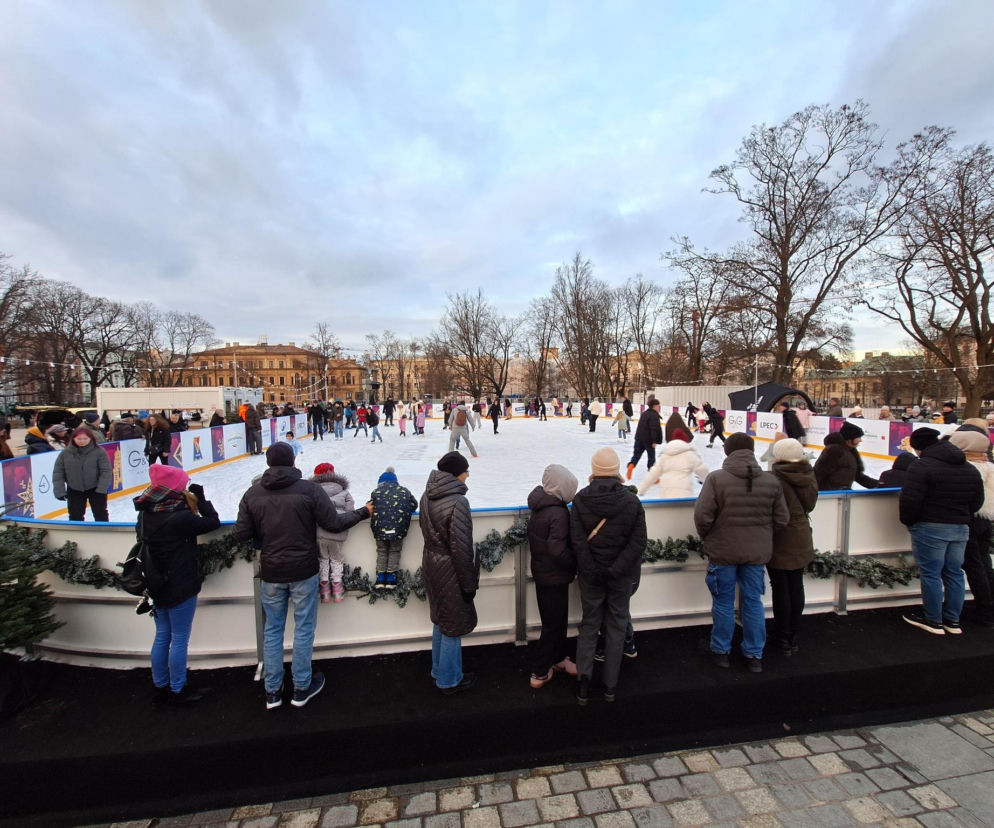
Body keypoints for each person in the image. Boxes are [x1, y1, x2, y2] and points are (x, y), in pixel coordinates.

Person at [233, 442, 372, 710]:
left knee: (273, 630)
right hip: (303, 570)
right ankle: (301, 687)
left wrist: (265, 536)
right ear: (293, 461)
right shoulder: (309, 490)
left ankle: (273, 691)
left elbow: (241, 533)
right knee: (304, 628)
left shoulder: (252, 494)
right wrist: (363, 511)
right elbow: (334, 523)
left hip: (272, 572)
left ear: (268, 463)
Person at [695, 432, 789, 673]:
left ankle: (721, 651)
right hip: (756, 553)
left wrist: (710, 537)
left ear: (728, 451)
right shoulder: (771, 481)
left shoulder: (717, 479)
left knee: (724, 602)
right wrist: (762, 536)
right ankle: (754, 655)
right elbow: (781, 519)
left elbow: (702, 516)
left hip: (724, 552)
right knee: (753, 603)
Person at [135, 464, 220, 706]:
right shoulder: (179, 516)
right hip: (180, 582)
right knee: (180, 637)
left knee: (162, 635)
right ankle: (177, 689)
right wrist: (202, 500)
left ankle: (160, 686)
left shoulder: (145, 511)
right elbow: (211, 522)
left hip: (155, 582)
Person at [571, 448, 646, 705]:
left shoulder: (580, 500)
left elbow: (578, 541)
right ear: (616, 470)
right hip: (621, 577)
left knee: (590, 624)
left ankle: (583, 684)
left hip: (591, 576)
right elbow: (637, 543)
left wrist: (592, 569)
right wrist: (616, 570)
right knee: (616, 626)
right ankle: (610, 686)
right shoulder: (631, 502)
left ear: (594, 470)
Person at [900, 428, 984, 635]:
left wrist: (909, 521)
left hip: (930, 527)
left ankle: (933, 620)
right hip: (960, 528)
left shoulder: (921, 466)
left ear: (919, 447)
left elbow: (911, 500)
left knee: (931, 574)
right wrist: (961, 516)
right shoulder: (969, 468)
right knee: (954, 573)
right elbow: (977, 501)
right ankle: (953, 620)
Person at [420, 451, 479, 695]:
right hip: (450, 568)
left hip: (432, 563)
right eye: (466, 471)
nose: (467, 475)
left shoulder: (427, 493)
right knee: (452, 624)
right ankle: (449, 679)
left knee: (440, 618)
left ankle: (439, 669)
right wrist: (469, 585)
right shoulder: (457, 502)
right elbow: (462, 549)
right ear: (457, 474)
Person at [527, 464, 579, 689]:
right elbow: (556, 549)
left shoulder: (542, 506)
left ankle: (557, 659)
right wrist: (574, 561)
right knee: (552, 625)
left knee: (557, 622)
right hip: (553, 576)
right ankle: (539, 672)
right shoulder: (557, 513)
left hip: (545, 574)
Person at [767, 438, 818, 655]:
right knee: (796, 585)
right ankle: (792, 634)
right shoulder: (808, 475)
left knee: (781, 588)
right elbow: (810, 505)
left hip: (780, 538)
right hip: (801, 535)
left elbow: (771, 510)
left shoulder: (774, 478)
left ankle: (782, 636)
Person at [947, 424, 994, 627]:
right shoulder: (988, 466)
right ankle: (988, 604)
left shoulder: (968, 468)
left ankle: (985, 609)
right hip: (986, 519)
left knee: (974, 564)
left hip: (972, 519)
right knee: (983, 562)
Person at [311, 462, 355, 604]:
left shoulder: (312, 491)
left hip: (320, 533)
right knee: (336, 559)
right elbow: (350, 512)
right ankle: (337, 590)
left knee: (323, 558)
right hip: (338, 532)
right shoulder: (344, 492)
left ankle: (324, 591)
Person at [369, 466, 418, 592]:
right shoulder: (404, 491)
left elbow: (369, 506)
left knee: (382, 551)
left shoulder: (376, 492)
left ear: (381, 483)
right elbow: (414, 504)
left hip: (380, 530)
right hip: (398, 528)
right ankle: (391, 579)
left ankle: (380, 579)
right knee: (394, 551)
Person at [53, 427, 112, 521]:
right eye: (79, 439)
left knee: (100, 513)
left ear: (90, 439)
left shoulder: (99, 452)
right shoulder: (65, 454)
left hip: (96, 489)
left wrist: (101, 489)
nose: (82, 441)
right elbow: (58, 473)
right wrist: (59, 491)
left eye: (85, 439)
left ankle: (103, 533)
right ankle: (76, 535)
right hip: (74, 489)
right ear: (73, 439)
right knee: (75, 515)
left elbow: (106, 471)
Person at [637, 429, 708, 498]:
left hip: (666, 493)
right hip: (684, 493)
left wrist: (641, 490)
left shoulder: (664, 455)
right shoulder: (690, 454)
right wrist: (712, 486)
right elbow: (702, 470)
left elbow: (652, 474)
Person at [814, 422, 879, 490]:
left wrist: (878, 484)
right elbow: (819, 473)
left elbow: (857, 476)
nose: (860, 440)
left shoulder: (852, 451)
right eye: (858, 437)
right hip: (830, 495)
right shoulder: (834, 451)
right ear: (849, 439)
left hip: (842, 493)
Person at [626, 398, 663, 480]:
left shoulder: (644, 413)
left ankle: (631, 465)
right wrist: (654, 441)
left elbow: (640, 426)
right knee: (651, 458)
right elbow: (654, 429)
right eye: (658, 406)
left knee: (636, 455)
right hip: (649, 440)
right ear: (654, 406)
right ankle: (653, 476)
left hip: (639, 438)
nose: (658, 407)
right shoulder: (654, 415)